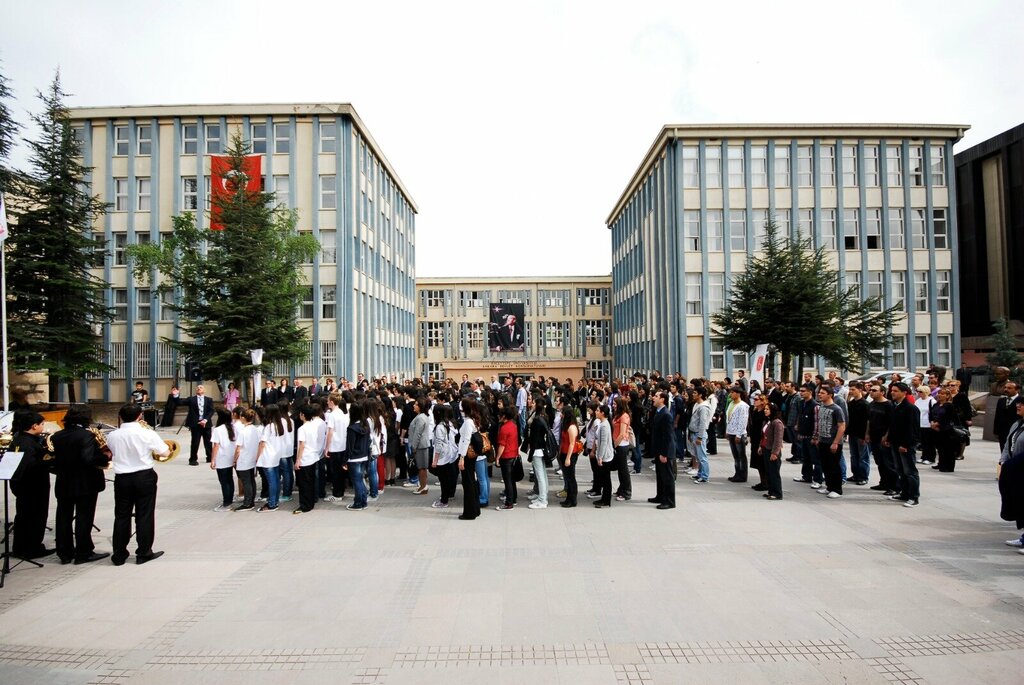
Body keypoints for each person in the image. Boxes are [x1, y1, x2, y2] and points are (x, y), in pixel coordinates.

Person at [105, 403, 168, 565]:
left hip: (122, 478)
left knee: (121, 515)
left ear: (120, 417)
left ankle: (119, 555)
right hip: (144, 476)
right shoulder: (147, 433)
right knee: (144, 515)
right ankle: (143, 553)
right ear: (139, 416)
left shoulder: (112, 435)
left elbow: (110, 453)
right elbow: (165, 452)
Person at [49, 405, 110, 564]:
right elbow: (87, 459)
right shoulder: (87, 435)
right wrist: (105, 457)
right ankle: (84, 552)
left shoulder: (57, 436)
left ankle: (64, 552)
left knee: (63, 517)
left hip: (64, 481)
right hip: (85, 482)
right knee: (84, 517)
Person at [7, 410, 53, 560]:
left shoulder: (18, 439)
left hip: (21, 485)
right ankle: (32, 548)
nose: (43, 427)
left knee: (22, 516)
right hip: (34, 486)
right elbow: (32, 465)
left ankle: (19, 547)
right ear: (34, 426)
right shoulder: (29, 443)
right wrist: (49, 459)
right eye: (42, 424)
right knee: (36, 517)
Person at [887, 383, 921, 506]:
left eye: (896, 391)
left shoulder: (910, 408)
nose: (892, 392)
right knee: (900, 470)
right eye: (892, 390)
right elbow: (893, 425)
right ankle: (904, 493)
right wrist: (889, 439)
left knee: (910, 471)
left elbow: (912, 430)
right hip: (895, 443)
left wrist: (906, 445)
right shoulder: (895, 406)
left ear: (904, 393)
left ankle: (913, 496)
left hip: (906, 445)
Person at [812, 385, 847, 499]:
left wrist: (836, 442)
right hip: (823, 441)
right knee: (825, 465)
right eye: (819, 392)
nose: (819, 394)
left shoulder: (837, 409)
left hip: (833, 442)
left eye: (822, 393)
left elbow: (841, 426)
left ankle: (837, 489)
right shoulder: (821, 406)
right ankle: (829, 486)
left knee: (834, 466)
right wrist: (818, 438)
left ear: (830, 395)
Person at [293, 404, 326, 514]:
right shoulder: (313, 426)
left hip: (305, 458)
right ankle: (310, 503)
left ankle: (305, 505)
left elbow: (302, 445)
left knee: (304, 484)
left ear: (303, 415)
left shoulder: (302, 428)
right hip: (313, 456)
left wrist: (298, 460)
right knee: (311, 482)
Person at [256, 404, 287, 512]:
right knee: (276, 480)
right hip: (276, 456)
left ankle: (272, 503)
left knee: (271, 481)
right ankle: (274, 500)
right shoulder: (279, 425)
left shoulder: (268, 427)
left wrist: (257, 457)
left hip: (267, 457)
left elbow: (262, 444)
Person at [649, 390, 676, 508]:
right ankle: (660, 496)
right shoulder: (658, 412)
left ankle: (669, 501)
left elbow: (668, 436)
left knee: (667, 476)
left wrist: (664, 453)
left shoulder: (666, 414)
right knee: (660, 475)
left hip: (665, 451)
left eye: (656, 396)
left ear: (662, 399)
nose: (653, 398)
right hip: (658, 449)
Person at [523, 395, 551, 509]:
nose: (532, 404)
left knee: (540, 476)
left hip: (537, 450)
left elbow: (534, 439)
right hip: (541, 449)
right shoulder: (544, 417)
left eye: (534, 402)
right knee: (542, 474)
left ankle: (543, 500)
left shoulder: (537, 420)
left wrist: (530, 454)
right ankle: (542, 496)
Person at [457, 397, 482, 520]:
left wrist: (461, 457)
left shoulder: (468, 422)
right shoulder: (473, 420)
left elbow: (466, 440)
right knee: (471, 481)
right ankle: (474, 509)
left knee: (468, 483)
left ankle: (469, 512)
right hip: (470, 455)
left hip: (466, 455)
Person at [430, 403, 459, 509]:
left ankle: (444, 500)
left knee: (444, 480)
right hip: (451, 454)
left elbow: (438, 444)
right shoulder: (450, 423)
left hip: (443, 456)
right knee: (448, 477)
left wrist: (435, 460)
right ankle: (447, 496)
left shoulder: (440, 426)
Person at [210, 407, 238, 511]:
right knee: (229, 479)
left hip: (222, 458)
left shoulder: (217, 429)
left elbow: (216, 446)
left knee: (224, 481)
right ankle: (230, 499)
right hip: (231, 457)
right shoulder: (233, 427)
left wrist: (213, 460)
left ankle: (226, 503)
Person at [323, 393, 349, 502]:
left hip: (334, 446)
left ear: (332, 402)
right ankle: (340, 492)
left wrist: (326, 447)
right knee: (340, 471)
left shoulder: (332, 415)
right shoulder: (341, 413)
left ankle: (337, 494)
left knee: (335, 472)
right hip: (342, 444)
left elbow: (330, 432)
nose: (327, 402)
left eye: (328, 400)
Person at [232, 408, 260, 511]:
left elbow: (238, 449)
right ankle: (251, 500)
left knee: (246, 482)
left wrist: (234, 460)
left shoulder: (243, 432)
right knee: (251, 480)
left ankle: (248, 503)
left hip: (244, 459)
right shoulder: (255, 429)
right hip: (252, 458)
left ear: (243, 418)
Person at [345, 402, 371, 511]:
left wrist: (344, 460)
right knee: (360, 480)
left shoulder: (352, 428)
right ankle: (363, 502)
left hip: (354, 458)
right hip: (364, 456)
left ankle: (358, 503)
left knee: (357, 481)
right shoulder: (366, 425)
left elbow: (349, 446)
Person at [846, 382, 871, 485]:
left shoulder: (865, 404)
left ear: (860, 390)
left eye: (853, 389)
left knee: (863, 456)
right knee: (854, 455)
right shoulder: (851, 403)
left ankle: (863, 476)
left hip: (861, 434)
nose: (851, 391)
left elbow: (868, 421)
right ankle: (855, 474)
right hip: (852, 433)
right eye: (850, 389)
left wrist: (865, 435)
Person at [929, 387, 959, 473]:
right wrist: (932, 423)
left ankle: (948, 466)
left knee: (948, 449)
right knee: (940, 448)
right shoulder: (936, 405)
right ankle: (941, 463)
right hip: (935, 429)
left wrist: (937, 424)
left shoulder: (949, 406)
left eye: (942, 394)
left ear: (947, 396)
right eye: (939, 393)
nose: (939, 395)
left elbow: (947, 417)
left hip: (946, 430)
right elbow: (931, 415)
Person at [407, 397, 431, 496]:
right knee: (421, 467)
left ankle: (423, 486)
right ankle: (422, 485)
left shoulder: (421, 417)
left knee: (421, 467)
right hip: (421, 445)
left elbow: (417, 434)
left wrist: (414, 447)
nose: (414, 405)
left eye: (416, 404)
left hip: (420, 445)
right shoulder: (421, 416)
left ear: (421, 406)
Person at [592, 404, 615, 508]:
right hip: (603, 455)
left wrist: (600, 457)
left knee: (606, 479)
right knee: (604, 478)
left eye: (598, 410)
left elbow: (604, 443)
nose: (596, 412)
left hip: (605, 456)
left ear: (602, 413)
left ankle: (606, 500)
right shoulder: (602, 423)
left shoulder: (605, 425)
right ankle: (604, 498)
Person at [185, 384, 214, 465]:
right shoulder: (191, 399)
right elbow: (180, 402)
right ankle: (193, 459)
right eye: (197, 387)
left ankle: (210, 457)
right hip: (196, 424)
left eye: (201, 387)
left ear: (204, 390)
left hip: (206, 424)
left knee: (208, 442)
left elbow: (211, 410)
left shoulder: (209, 399)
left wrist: (205, 420)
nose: (199, 388)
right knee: (195, 442)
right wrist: (175, 395)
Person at [611, 396, 633, 501]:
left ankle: (626, 492)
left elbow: (622, 433)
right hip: (617, 444)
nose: (613, 405)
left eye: (615, 404)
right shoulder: (617, 415)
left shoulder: (624, 416)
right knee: (620, 469)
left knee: (623, 470)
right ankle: (621, 489)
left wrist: (614, 445)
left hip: (622, 445)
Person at [726, 386, 750, 483]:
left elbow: (743, 421)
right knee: (735, 455)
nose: (731, 394)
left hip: (738, 433)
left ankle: (742, 475)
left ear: (738, 394)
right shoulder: (731, 403)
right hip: (731, 432)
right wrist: (727, 431)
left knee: (741, 455)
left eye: (732, 392)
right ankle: (737, 473)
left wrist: (739, 435)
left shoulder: (742, 405)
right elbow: (728, 418)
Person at [762, 401, 785, 500]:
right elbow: (764, 435)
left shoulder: (777, 422)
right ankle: (771, 491)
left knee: (774, 472)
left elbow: (778, 439)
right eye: (765, 409)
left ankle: (777, 493)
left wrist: (775, 453)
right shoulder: (767, 421)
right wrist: (760, 446)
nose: (765, 411)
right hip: (766, 449)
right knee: (768, 472)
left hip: (773, 451)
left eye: (767, 409)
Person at [559, 406, 581, 508]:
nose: (561, 415)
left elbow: (572, 443)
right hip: (564, 452)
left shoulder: (572, 427)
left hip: (570, 454)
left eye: (562, 413)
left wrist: (568, 458)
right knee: (568, 477)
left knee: (571, 478)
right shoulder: (566, 425)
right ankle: (568, 498)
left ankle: (573, 499)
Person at [995, 382, 1023, 452]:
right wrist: (996, 431)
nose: (1006, 390)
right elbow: (997, 416)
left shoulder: (1022, 400)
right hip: (1002, 432)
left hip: (1016, 431)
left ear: (1017, 390)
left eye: (1009, 388)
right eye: (1005, 387)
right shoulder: (1001, 400)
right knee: (1003, 450)